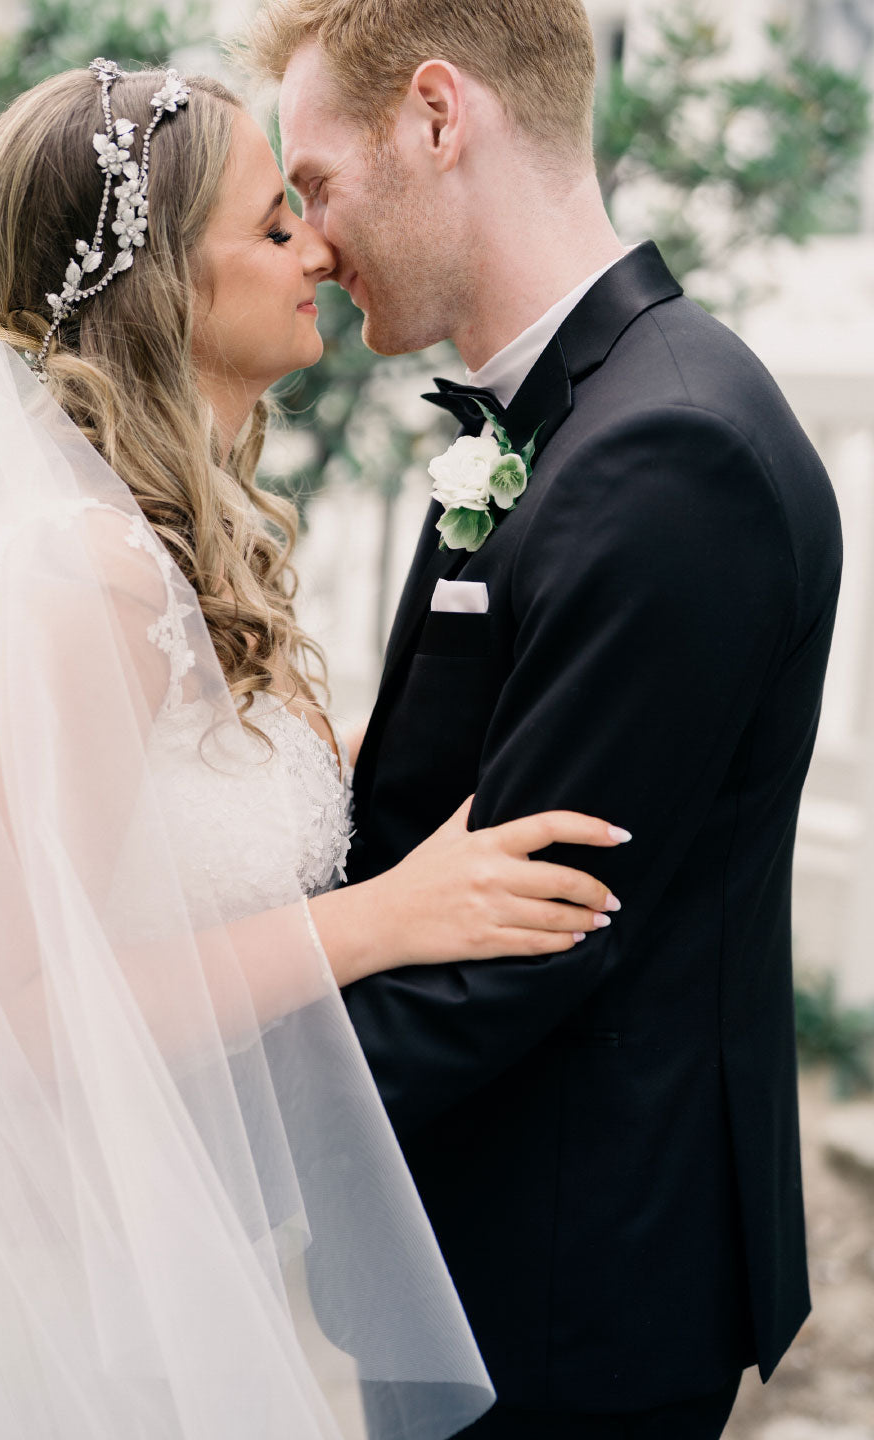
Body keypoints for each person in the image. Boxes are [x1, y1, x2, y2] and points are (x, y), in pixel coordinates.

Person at [0, 59, 629, 1440]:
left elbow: (193, 799)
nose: (321, 248)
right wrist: (379, 921)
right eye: (273, 224)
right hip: (3, 1285)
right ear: (165, 288)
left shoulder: (166, 545)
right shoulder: (81, 580)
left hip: (137, 1233)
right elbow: (16, 1018)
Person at [246, 0, 845, 1435]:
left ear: (439, 118)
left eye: (316, 183)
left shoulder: (666, 452)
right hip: (489, 1245)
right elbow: (446, 798)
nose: (312, 245)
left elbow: (527, 936)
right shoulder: (568, 422)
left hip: (572, 1281)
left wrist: (203, 1130)